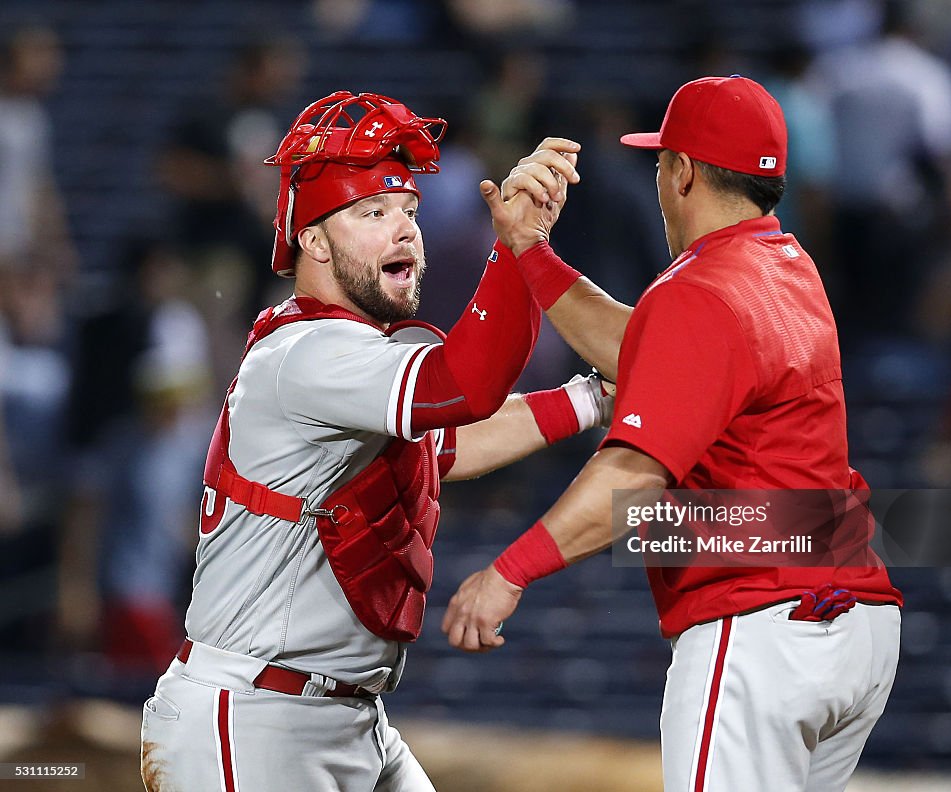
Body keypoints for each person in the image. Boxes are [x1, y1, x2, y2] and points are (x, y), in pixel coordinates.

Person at [140, 90, 611, 792]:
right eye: (372, 213)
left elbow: (450, 442)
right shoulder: (306, 353)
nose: (403, 231)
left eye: (409, 211)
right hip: (254, 718)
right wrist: (519, 249)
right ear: (315, 241)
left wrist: (592, 398)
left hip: (348, 717)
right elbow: (467, 386)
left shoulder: (354, 354)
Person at [443, 76, 904, 792]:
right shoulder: (785, 267)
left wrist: (510, 572)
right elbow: (653, 350)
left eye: (661, 162)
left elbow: (632, 476)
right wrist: (531, 250)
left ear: (682, 172)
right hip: (858, 619)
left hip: (761, 626)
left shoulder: (699, 290)